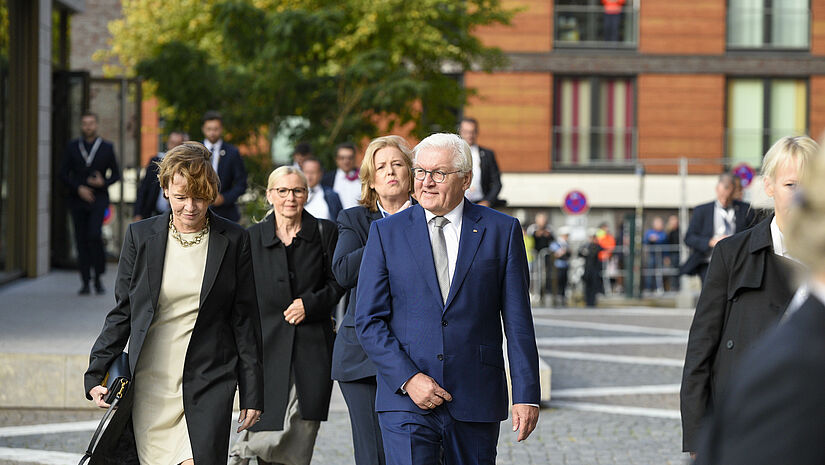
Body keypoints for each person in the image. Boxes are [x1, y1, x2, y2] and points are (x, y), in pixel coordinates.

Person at [355, 133, 540, 465]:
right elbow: (368, 320)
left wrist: (527, 395)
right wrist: (408, 379)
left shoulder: (502, 231)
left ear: (466, 179)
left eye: (438, 173)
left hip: (475, 396)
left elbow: (518, 323)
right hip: (405, 401)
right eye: (421, 172)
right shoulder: (386, 233)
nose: (426, 182)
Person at [84, 142, 263, 465]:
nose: (190, 207)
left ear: (212, 194)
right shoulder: (141, 236)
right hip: (152, 381)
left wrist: (253, 391)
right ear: (166, 190)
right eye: (181, 197)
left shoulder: (235, 240)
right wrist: (96, 372)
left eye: (200, 197)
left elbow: (245, 320)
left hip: (209, 379)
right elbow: (123, 310)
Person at [680, 136, 818, 458]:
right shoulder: (732, 253)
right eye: (791, 185)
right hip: (744, 423)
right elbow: (702, 346)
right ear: (768, 186)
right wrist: (699, 438)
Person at [230, 166, 345, 465]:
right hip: (265, 351)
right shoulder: (250, 238)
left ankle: (246, 452)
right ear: (269, 195)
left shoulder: (325, 232)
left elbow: (338, 283)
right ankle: (245, 452)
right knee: (263, 428)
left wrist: (312, 304)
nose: (290, 198)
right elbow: (241, 296)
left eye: (297, 191)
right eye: (282, 191)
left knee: (300, 434)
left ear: (307, 195)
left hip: (312, 350)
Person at [331, 135, 415, 465]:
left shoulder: (429, 218)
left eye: (397, 164)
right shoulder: (353, 219)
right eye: (381, 167)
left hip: (417, 354)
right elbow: (343, 272)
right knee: (373, 456)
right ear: (371, 179)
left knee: (418, 451)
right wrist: (390, 232)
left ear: (410, 173)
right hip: (360, 359)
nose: (390, 171)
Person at [60, 112, 122, 295]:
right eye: (85, 123)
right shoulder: (72, 147)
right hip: (77, 199)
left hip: (99, 199)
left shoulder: (106, 147)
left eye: (91, 123)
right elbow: (63, 173)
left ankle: (98, 276)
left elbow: (116, 174)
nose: (88, 126)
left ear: (96, 125)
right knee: (81, 239)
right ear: (81, 125)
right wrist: (78, 188)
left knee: (94, 235)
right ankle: (85, 280)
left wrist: (104, 183)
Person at [681, 173, 756, 284]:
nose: (724, 197)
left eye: (728, 191)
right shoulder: (702, 211)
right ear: (717, 189)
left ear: (733, 190)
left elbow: (754, 234)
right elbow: (689, 238)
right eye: (722, 192)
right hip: (708, 263)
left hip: (737, 263)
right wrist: (711, 242)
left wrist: (735, 241)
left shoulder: (745, 210)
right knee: (711, 298)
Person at [202, 111, 248, 222]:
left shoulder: (232, 152)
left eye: (216, 129)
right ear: (203, 129)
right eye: (209, 129)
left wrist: (224, 198)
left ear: (221, 129)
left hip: (225, 214)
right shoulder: (195, 151)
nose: (212, 133)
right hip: (198, 211)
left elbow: (241, 183)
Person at [133, 131, 186, 221]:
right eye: (172, 143)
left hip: (178, 215)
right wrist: (138, 213)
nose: (174, 147)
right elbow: (144, 188)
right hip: (154, 213)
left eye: (178, 144)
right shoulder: (156, 162)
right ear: (168, 144)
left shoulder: (187, 166)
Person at [458, 117, 503, 208]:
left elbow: (496, 183)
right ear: (460, 132)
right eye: (466, 132)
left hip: (480, 204)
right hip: (458, 203)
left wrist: (487, 201)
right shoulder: (453, 153)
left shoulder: (487, 155)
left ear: (477, 133)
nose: (469, 135)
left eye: (472, 132)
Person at [322, 142, 362, 209]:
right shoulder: (327, 179)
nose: (346, 161)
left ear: (354, 158)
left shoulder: (363, 177)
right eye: (342, 158)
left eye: (350, 158)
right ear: (336, 159)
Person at [301, 157, 343, 221]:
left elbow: (340, 220)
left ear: (320, 173)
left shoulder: (331, 195)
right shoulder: (294, 194)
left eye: (312, 172)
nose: (309, 176)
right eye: (306, 172)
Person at [581, 230, 604, 308]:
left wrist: (588, 251)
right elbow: (580, 253)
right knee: (587, 286)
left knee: (594, 286)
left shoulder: (597, 246)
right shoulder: (586, 245)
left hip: (595, 269)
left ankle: (592, 301)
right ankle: (587, 301)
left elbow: (596, 252)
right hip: (587, 269)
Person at [643, 216, 667, 292]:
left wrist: (656, 238)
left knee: (659, 272)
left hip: (661, 256)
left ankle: (659, 288)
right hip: (651, 256)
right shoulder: (649, 232)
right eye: (657, 223)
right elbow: (646, 240)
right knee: (649, 272)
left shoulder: (663, 233)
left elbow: (662, 239)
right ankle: (649, 288)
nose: (659, 224)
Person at [549, 226, 571, 307]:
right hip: (557, 266)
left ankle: (563, 297)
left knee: (564, 282)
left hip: (565, 265)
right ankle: (556, 298)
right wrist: (562, 252)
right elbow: (555, 254)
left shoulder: (566, 244)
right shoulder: (556, 243)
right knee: (557, 282)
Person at [664, 215, 681, 291]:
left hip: (679, 254)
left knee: (679, 270)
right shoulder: (668, 232)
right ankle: (673, 287)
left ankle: (678, 286)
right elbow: (666, 244)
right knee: (673, 271)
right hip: (672, 254)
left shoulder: (680, 230)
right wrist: (666, 256)